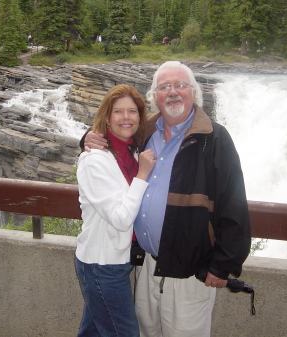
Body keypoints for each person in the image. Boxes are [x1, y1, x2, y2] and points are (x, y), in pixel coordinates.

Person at [83, 61, 251, 336]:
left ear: (194, 93)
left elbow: (234, 203)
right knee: (148, 332)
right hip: (147, 263)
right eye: (164, 87)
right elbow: (113, 138)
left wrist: (224, 265)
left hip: (190, 268)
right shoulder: (144, 132)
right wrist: (87, 138)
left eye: (181, 85)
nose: (173, 92)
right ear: (155, 97)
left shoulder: (214, 138)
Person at [75, 84, 157, 337]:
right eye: (118, 112)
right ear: (107, 117)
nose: (126, 118)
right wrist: (143, 174)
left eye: (132, 111)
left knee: (94, 331)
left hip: (120, 260)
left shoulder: (134, 149)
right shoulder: (94, 160)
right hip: (102, 263)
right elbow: (121, 218)